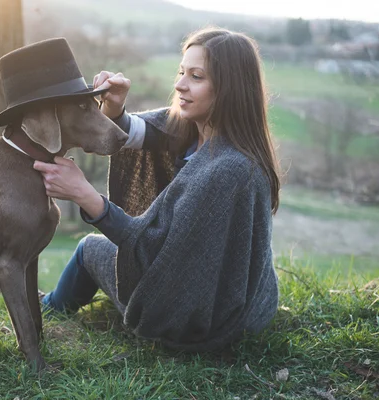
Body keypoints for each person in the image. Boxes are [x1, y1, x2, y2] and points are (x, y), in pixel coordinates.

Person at [33, 27, 281, 352]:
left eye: (196, 76)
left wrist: (84, 195)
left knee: (89, 249)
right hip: (241, 308)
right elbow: (138, 133)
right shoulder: (200, 132)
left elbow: (150, 250)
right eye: (181, 71)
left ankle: (49, 308)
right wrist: (114, 108)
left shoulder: (226, 169)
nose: (179, 84)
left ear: (228, 88)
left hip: (195, 323)